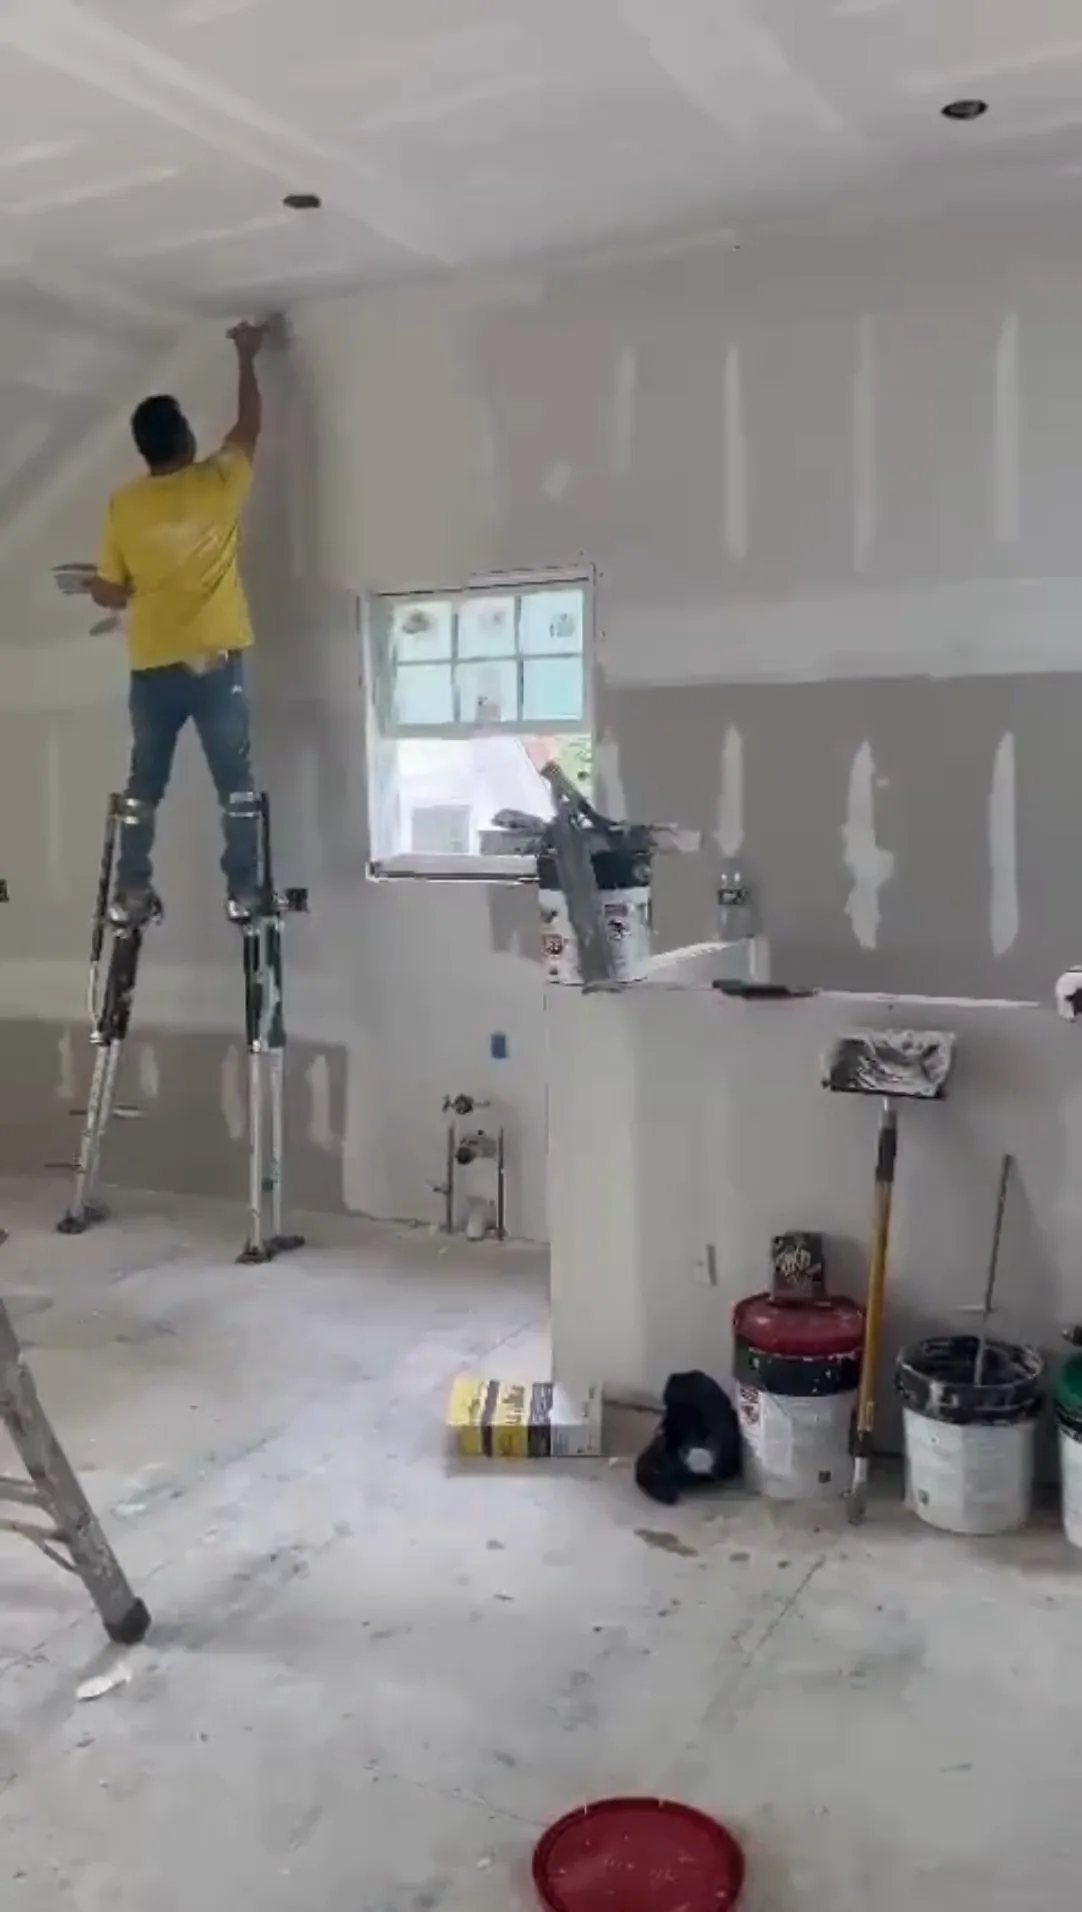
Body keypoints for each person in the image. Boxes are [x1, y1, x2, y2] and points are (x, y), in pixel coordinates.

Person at [83, 319, 270, 927]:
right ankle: (243, 891)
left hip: (153, 667)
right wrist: (246, 356)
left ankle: (132, 890)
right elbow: (248, 428)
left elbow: (112, 594)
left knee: (144, 787)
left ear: (144, 450)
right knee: (235, 787)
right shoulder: (217, 482)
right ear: (186, 437)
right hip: (214, 665)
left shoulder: (124, 505)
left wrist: (97, 584)